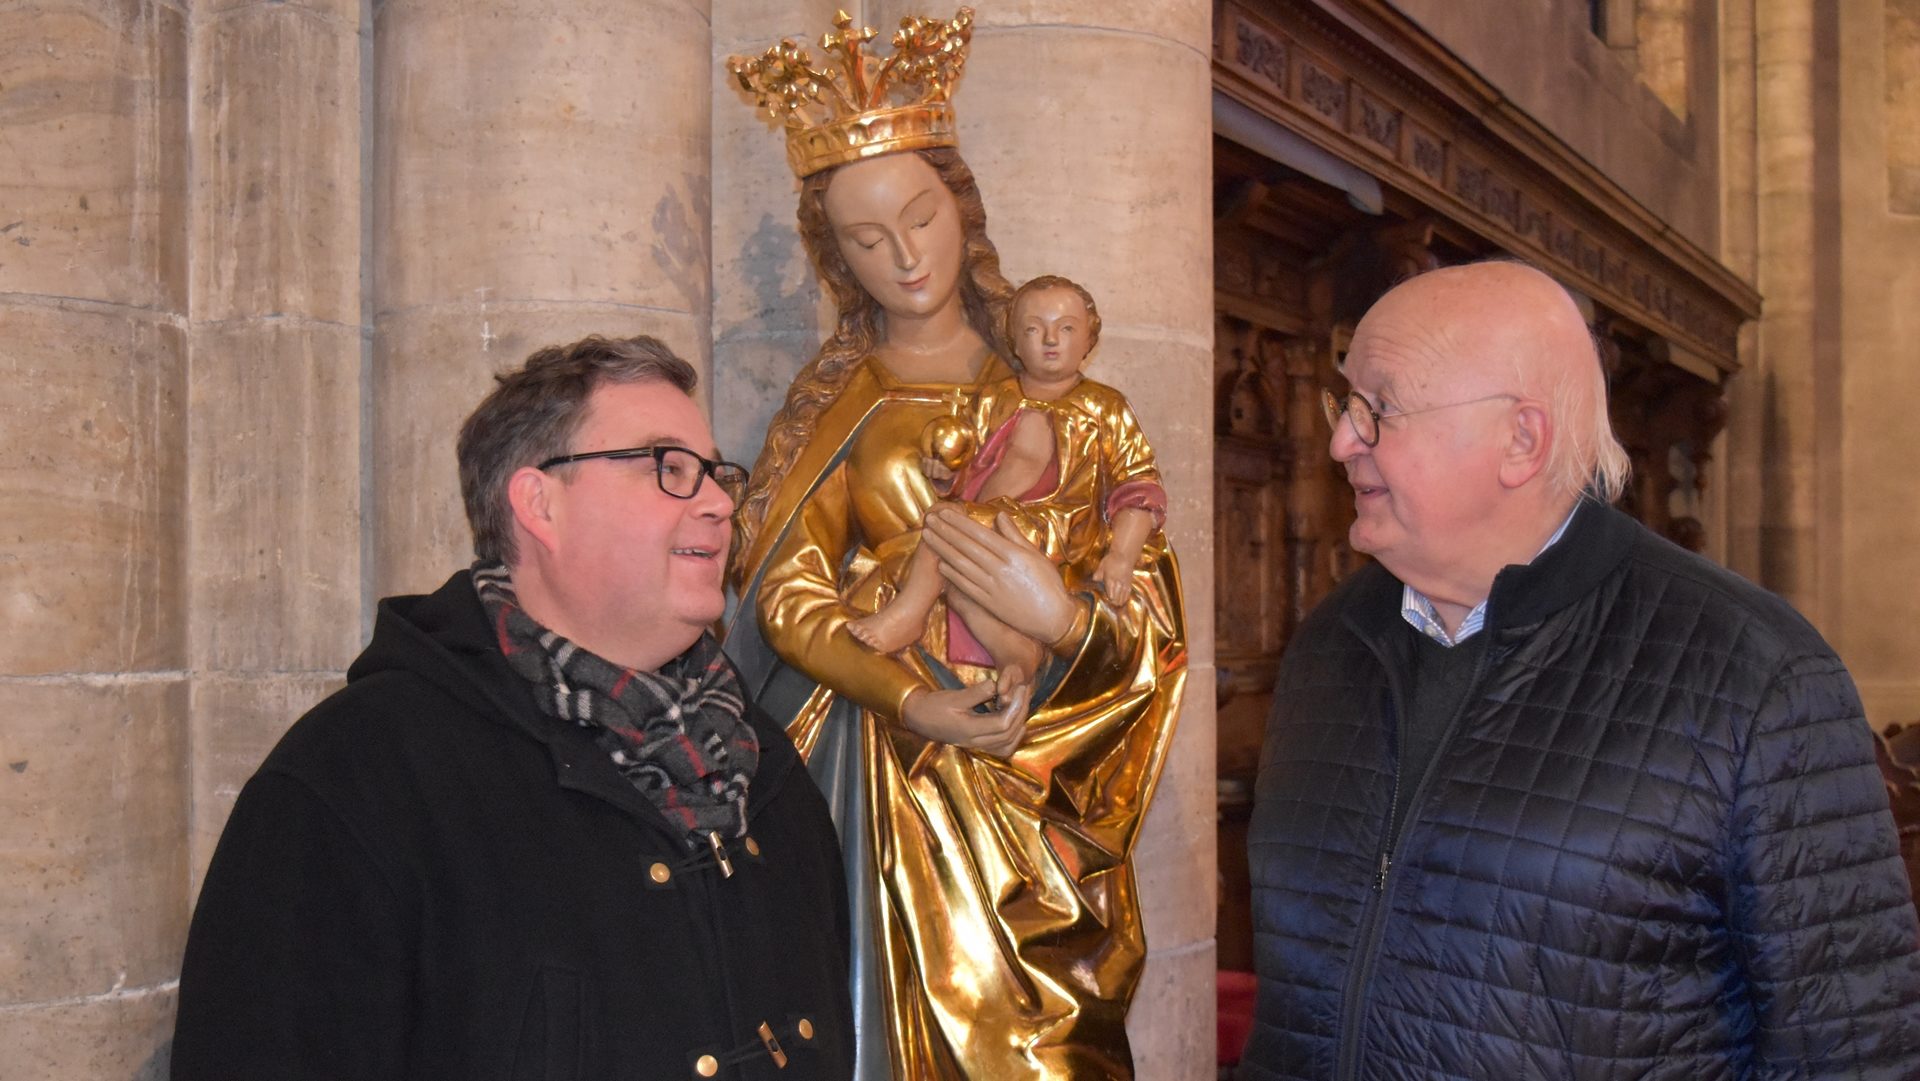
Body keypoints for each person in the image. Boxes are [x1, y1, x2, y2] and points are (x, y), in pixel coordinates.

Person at [1243, 261, 1920, 1080]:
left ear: (1521, 440)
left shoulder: (1757, 677)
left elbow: (1854, 1051)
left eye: (1377, 408)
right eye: (1345, 403)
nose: (1341, 439)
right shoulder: (1328, 648)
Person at [172, 335, 854, 1081]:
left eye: (717, 475)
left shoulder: (764, 764)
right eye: (670, 468)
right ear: (539, 503)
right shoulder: (357, 778)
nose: (721, 503)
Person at [725, 12, 1188, 1077]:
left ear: (961, 208)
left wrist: (1062, 616)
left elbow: (1150, 621)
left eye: (921, 217)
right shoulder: (836, 402)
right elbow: (786, 599)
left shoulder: (1056, 389)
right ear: (831, 255)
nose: (902, 256)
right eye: (863, 239)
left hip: (1034, 775)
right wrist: (908, 696)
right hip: (882, 780)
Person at [848, 274, 1168, 697]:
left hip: (1051, 530)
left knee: (945, 526)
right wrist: (944, 472)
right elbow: (967, 467)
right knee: (958, 577)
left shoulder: (1104, 407)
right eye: (1034, 329)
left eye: (1066, 328)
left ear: (1090, 338)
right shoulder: (995, 397)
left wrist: (1122, 555)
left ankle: (910, 611)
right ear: (1015, 342)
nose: (1050, 339)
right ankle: (1016, 655)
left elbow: (1137, 486)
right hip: (984, 518)